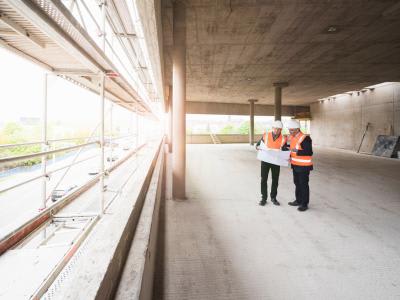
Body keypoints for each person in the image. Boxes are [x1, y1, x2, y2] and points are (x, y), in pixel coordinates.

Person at [256, 120, 287, 206]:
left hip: (276, 162)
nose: (277, 131)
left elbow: (284, 149)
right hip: (265, 161)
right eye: (275, 129)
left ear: (281, 129)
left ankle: (273, 198)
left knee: (275, 180)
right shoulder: (266, 135)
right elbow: (258, 145)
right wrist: (258, 147)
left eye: (279, 129)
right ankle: (263, 198)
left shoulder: (284, 138)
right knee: (263, 179)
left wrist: (286, 154)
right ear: (272, 128)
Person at [286, 119, 313, 212]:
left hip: (304, 167)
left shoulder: (305, 138)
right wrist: (289, 155)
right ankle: (298, 200)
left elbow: (309, 152)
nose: (290, 132)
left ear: (297, 129)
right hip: (295, 165)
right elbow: (292, 149)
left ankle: (304, 204)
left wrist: (296, 151)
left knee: (303, 184)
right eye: (289, 130)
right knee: (297, 183)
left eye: (292, 130)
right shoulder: (293, 137)